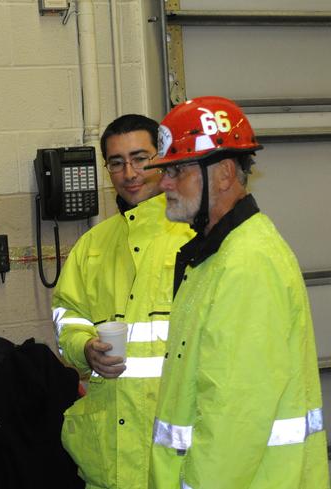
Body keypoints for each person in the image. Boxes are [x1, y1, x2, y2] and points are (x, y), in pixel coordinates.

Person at [146, 96, 329, 489]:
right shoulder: (216, 256)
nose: (164, 183)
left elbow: (235, 412)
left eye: (177, 170)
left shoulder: (247, 262)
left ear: (225, 173)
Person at [52, 114, 194, 489]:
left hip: (176, 449)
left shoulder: (193, 236)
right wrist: (85, 347)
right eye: (116, 163)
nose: (129, 172)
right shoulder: (93, 245)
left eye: (140, 158)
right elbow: (67, 314)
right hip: (108, 453)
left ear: (162, 157)